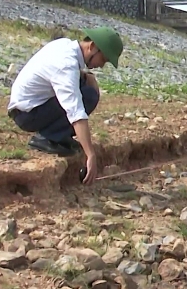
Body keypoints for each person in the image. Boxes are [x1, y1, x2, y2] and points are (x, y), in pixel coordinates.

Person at [7, 26, 123, 185]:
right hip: (27, 114)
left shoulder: (65, 45)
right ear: (93, 47)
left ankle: (57, 136)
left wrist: (87, 75)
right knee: (88, 96)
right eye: (103, 59)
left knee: (85, 85)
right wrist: (91, 155)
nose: (102, 65)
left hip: (26, 107)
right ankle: (47, 138)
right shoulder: (66, 64)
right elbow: (75, 112)